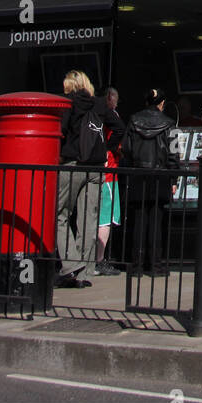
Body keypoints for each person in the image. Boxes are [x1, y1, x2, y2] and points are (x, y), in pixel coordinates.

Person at [56, 70, 124, 288]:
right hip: (96, 167)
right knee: (89, 220)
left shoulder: (67, 103)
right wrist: (106, 150)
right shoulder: (100, 104)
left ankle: (70, 262)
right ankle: (85, 272)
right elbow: (120, 128)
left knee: (60, 214)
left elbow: (61, 130)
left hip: (73, 163)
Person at [121, 88, 178, 277]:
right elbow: (174, 153)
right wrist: (174, 178)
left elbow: (126, 149)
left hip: (138, 173)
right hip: (160, 174)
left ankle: (136, 266)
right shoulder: (170, 124)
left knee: (139, 219)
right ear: (162, 104)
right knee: (156, 220)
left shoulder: (133, 120)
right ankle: (155, 265)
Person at [94, 87, 124, 276]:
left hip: (92, 170)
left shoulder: (91, 115)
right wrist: (110, 149)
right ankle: (98, 260)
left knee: (91, 216)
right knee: (105, 218)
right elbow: (119, 138)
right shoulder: (111, 116)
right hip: (108, 172)